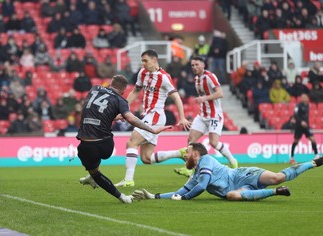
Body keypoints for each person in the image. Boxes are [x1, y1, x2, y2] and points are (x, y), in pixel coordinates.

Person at [76, 75, 171, 203]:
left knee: (89, 162)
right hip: (105, 145)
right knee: (95, 157)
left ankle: (107, 185)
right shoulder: (120, 100)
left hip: (86, 144)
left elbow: (94, 110)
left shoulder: (94, 89)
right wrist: (152, 130)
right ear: (123, 91)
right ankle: (97, 179)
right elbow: (131, 119)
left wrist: (111, 116)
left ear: (110, 83)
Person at [132, 142, 323, 201]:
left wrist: (183, 199)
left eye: (188, 152)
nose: (185, 155)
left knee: (276, 177)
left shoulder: (207, 159)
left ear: (196, 152)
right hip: (239, 187)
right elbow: (182, 191)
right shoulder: (196, 173)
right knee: (232, 196)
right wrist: (155, 196)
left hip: (243, 175)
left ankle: (313, 162)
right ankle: (276, 192)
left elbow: (200, 187)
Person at [111, 50, 191, 187]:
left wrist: (182, 117)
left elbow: (176, 96)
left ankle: (128, 179)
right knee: (146, 158)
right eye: (142, 61)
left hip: (155, 116)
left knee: (131, 143)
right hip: (147, 115)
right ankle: (179, 153)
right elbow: (135, 91)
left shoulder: (164, 77)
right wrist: (123, 110)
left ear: (155, 60)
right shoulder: (142, 74)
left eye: (146, 61)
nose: (143, 64)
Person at [169, 56, 238, 177]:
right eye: (192, 65)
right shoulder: (197, 79)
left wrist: (204, 98)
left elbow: (220, 93)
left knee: (214, 143)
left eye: (196, 65)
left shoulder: (210, 77)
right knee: (191, 140)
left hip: (214, 116)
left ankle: (233, 160)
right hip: (202, 115)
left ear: (203, 65)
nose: (194, 67)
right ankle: (189, 168)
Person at [289, 93, 319, 164]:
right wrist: (301, 122)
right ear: (301, 98)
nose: (304, 99)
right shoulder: (298, 106)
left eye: (305, 97)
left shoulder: (307, 105)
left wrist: (306, 123)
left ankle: (317, 155)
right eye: (303, 97)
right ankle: (291, 158)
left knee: (313, 139)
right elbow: (295, 115)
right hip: (299, 126)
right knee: (296, 141)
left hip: (306, 126)